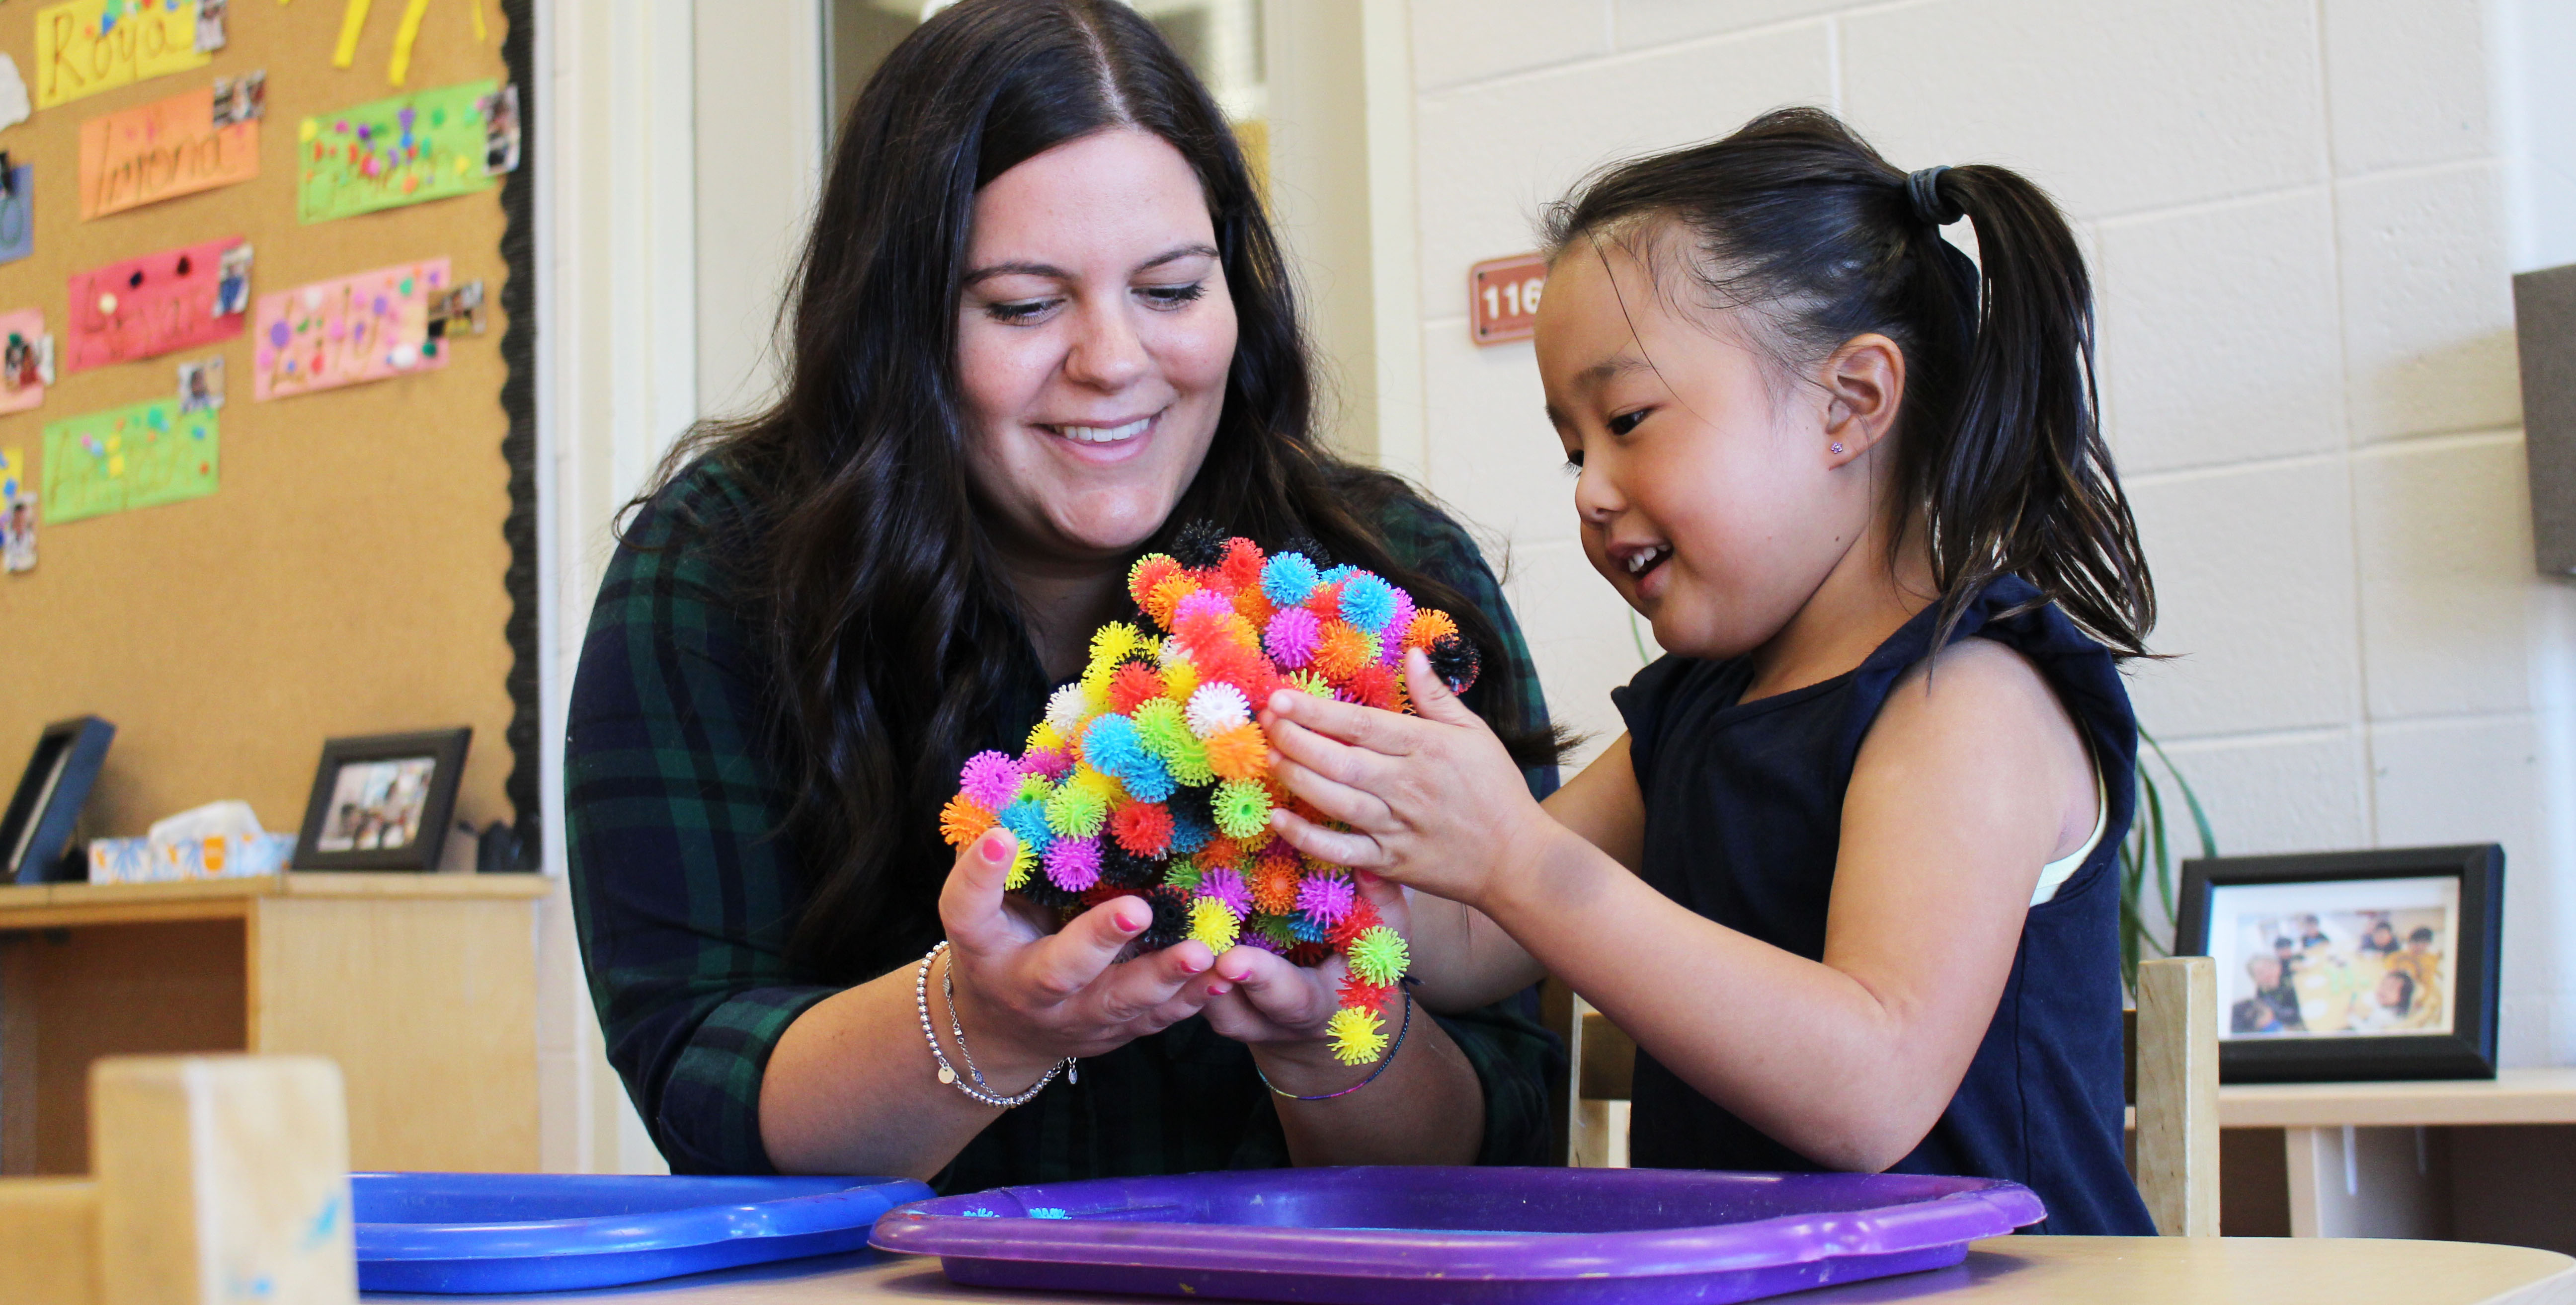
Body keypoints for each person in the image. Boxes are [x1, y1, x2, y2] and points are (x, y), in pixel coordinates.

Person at [564, 0, 1562, 1185]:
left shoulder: (1382, 587)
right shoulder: (721, 571)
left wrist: (1326, 1037)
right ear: (900, 324)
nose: (1114, 361)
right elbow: (698, 1084)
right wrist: (989, 1023)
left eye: (1174, 290)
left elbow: (1503, 1136)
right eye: (1026, 305)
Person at [1255, 109, 2159, 1233]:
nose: (1588, 488)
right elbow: (1477, 939)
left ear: (1852, 403)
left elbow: (1869, 1090)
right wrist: (1305, 861)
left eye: (1629, 419)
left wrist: (1514, 854)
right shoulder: (1698, 708)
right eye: (1574, 447)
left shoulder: (1968, 699)